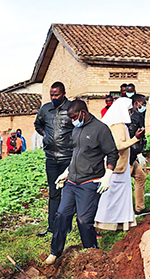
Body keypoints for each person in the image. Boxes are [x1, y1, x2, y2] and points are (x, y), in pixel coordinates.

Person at [44, 100, 117, 265]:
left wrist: (108, 174)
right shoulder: (76, 130)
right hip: (72, 182)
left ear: (83, 113)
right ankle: (55, 252)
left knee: (84, 220)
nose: (72, 121)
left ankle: (92, 253)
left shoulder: (100, 129)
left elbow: (112, 153)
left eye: (74, 117)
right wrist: (66, 172)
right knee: (61, 215)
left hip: (89, 182)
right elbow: (77, 153)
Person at [34, 81, 74, 237]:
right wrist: (47, 136)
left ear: (63, 93)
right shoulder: (45, 109)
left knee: (67, 192)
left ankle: (67, 226)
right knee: (53, 192)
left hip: (67, 157)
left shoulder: (71, 108)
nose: (53, 97)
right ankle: (52, 226)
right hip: (51, 158)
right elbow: (38, 124)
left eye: (56, 95)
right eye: (51, 95)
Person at [95, 97, 140, 232]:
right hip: (117, 166)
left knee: (119, 196)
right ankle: (103, 224)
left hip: (120, 166)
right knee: (111, 195)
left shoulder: (118, 125)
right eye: (129, 110)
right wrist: (135, 139)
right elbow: (118, 145)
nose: (131, 112)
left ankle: (121, 223)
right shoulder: (118, 126)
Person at [128, 94, 149, 216]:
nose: (144, 106)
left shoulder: (138, 115)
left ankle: (140, 208)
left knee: (140, 176)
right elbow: (131, 137)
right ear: (136, 103)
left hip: (134, 155)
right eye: (143, 103)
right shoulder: (133, 117)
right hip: (128, 157)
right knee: (123, 184)